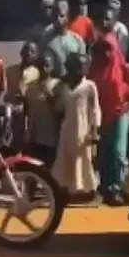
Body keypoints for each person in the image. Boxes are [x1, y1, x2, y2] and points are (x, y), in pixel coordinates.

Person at [89, 30, 129, 206]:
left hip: (121, 112)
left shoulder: (120, 66)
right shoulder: (95, 69)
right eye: (103, 49)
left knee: (119, 152)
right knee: (105, 151)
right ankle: (107, 187)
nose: (107, 53)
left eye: (110, 49)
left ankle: (121, 188)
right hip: (103, 115)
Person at [52, 52, 101, 197]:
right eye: (80, 66)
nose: (83, 69)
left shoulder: (90, 86)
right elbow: (59, 108)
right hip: (67, 128)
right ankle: (67, 189)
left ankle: (85, 190)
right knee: (65, 158)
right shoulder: (63, 86)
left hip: (83, 129)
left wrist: (95, 130)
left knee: (83, 158)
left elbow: (95, 109)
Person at [23, 51, 62, 167]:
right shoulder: (31, 87)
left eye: (47, 65)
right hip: (34, 138)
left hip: (51, 139)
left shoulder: (58, 85)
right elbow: (27, 111)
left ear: (52, 67)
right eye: (40, 65)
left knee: (51, 171)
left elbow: (60, 110)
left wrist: (49, 94)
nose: (43, 69)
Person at [44, 0, 87, 74]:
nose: (58, 19)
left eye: (61, 16)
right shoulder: (45, 38)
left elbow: (83, 66)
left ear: (68, 17)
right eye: (55, 15)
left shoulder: (78, 40)